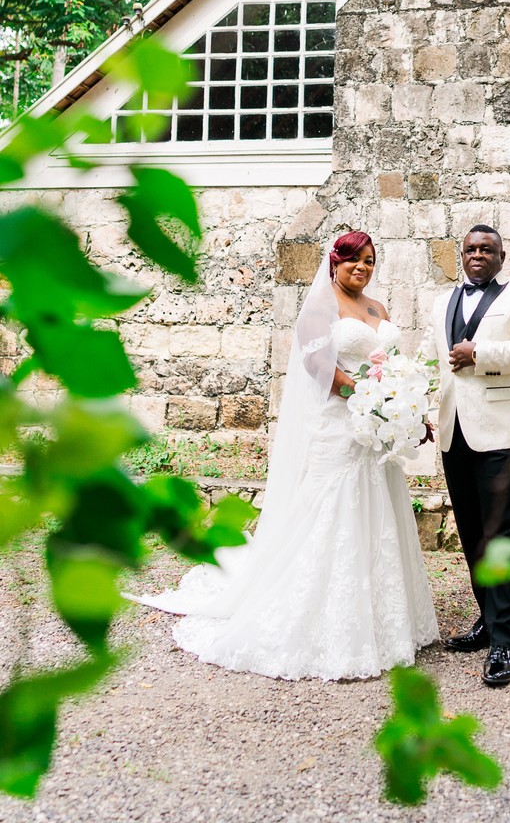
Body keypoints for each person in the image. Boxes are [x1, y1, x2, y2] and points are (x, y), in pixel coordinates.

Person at [129, 231, 438, 681]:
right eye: (354, 259)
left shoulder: (378, 309)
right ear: (335, 261)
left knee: (380, 511)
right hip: (339, 424)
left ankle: (384, 622)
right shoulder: (320, 306)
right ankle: (324, 623)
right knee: (334, 510)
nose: (362, 268)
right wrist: (371, 394)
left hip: (375, 426)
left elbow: (390, 365)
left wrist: (404, 406)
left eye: (370, 261)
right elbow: (318, 367)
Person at [420, 225, 510, 687]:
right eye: (471, 249)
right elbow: (431, 360)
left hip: (504, 431)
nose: (478, 255)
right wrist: (414, 406)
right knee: (473, 532)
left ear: (502, 255)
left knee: (505, 534)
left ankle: (505, 643)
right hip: (454, 430)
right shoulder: (443, 302)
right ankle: (486, 620)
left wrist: (482, 352)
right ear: (461, 255)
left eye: (487, 249)